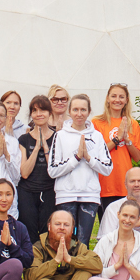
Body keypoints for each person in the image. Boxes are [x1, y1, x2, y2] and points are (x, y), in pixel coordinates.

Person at [48, 93, 113, 246]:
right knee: (65, 241)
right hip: (66, 195)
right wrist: (76, 158)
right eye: (75, 110)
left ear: (89, 112)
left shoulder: (97, 136)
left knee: (83, 242)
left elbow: (107, 168)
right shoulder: (60, 136)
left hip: (90, 196)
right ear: (69, 111)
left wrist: (89, 158)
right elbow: (52, 170)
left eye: (83, 110)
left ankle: (81, 262)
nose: (79, 114)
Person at [25, 210, 103, 280]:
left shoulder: (78, 247)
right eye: (57, 224)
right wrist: (55, 261)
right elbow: (30, 278)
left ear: (72, 229)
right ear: (49, 227)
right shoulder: (38, 248)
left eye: (66, 225)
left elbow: (98, 265)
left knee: (85, 272)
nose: (62, 227)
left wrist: (70, 259)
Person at [93, 83, 140, 207]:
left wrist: (127, 140)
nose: (117, 100)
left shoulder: (133, 124)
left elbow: (137, 157)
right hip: (104, 183)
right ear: (107, 98)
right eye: (113, 96)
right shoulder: (97, 122)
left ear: (126, 100)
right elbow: (96, 153)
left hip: (125, 183)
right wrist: (117, 138)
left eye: (121, 97)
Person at [16, 96, 57, 242]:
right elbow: (24, 173)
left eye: (43, 110)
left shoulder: (57, 138)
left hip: (50, 190)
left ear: (49, 113)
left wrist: (46, 149)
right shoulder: (23, 139)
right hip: (27, 191)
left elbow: (54, 172)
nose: (39, 114)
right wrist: (36, 148)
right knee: (29, 232)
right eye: (35, 110)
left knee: (48, 232)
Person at [98, 167, 140, 237]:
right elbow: (105, 238)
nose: (136, 185)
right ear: (125, 184)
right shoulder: (113, 208)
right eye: (132, 181)